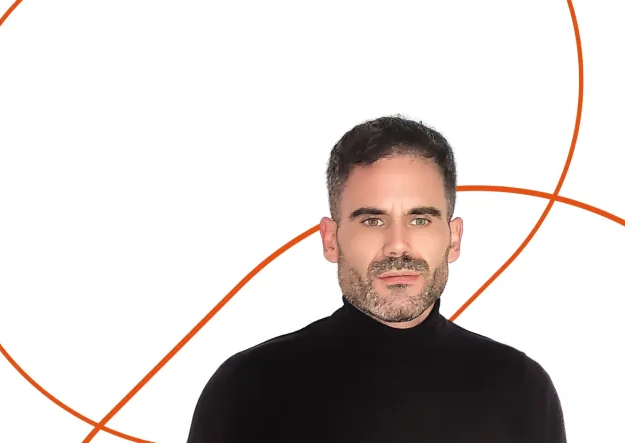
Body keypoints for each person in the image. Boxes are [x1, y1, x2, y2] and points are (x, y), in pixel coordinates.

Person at [185, 115, 566, 442]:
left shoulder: (521, 390)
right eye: (372, 220)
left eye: (420, 219)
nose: (397, 245)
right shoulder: (246, 389)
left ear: (454, 238)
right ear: (331, 240)